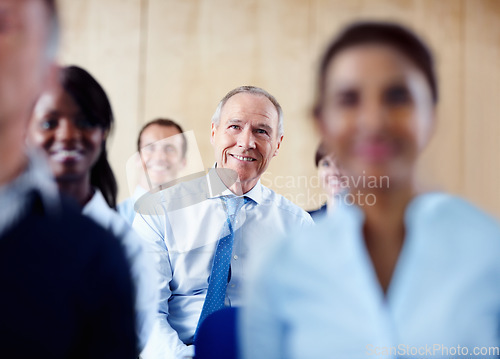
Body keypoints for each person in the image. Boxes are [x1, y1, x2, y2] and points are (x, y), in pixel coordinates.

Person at [241, 22, 500, 358]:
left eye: (397, 97)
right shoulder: (282, 265)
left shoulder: (488, 251)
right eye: (349, 99)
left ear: (431, 113)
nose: (375, 122)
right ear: (322, 122)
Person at [133, 86, 314, 359]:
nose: (246, 142)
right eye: (235, 126)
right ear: (214, 132)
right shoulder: (158, 210)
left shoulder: (298, 227)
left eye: (261, 131)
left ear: (277, 144)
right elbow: (145, 314)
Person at [0, 0, 137, 357]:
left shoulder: (97, 255)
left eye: (2, 24)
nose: (66, 136)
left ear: (46, 75)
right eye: (52, 122)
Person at [27, 64, 158, 352]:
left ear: (103, 133)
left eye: (86, 122)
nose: (67, 135)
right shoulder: (10, 226)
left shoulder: (124, 244)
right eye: (50, 123)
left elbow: (133, 341)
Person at [118, 118, 187, 225]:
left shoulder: (198, 218)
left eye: (170, 148)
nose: (159, 157)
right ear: (137, 158)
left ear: (183, 161)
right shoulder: (113, 218)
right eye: (150, 148)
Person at [308, 142, 344, 220]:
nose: (333, 172)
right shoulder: (305, 221)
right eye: (326, 164)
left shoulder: (372, 224)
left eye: (341, 163)